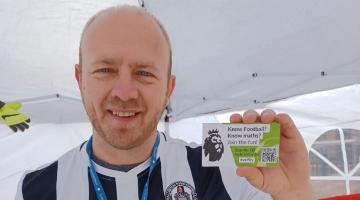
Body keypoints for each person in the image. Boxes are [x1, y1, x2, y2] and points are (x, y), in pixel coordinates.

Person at [15, 5, 315, 200]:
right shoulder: (35, 189)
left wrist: (296, 193)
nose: (124, 92)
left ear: (169, 88)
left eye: (144, 73)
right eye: (105, 70)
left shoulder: (228, 173)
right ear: (80, 79)